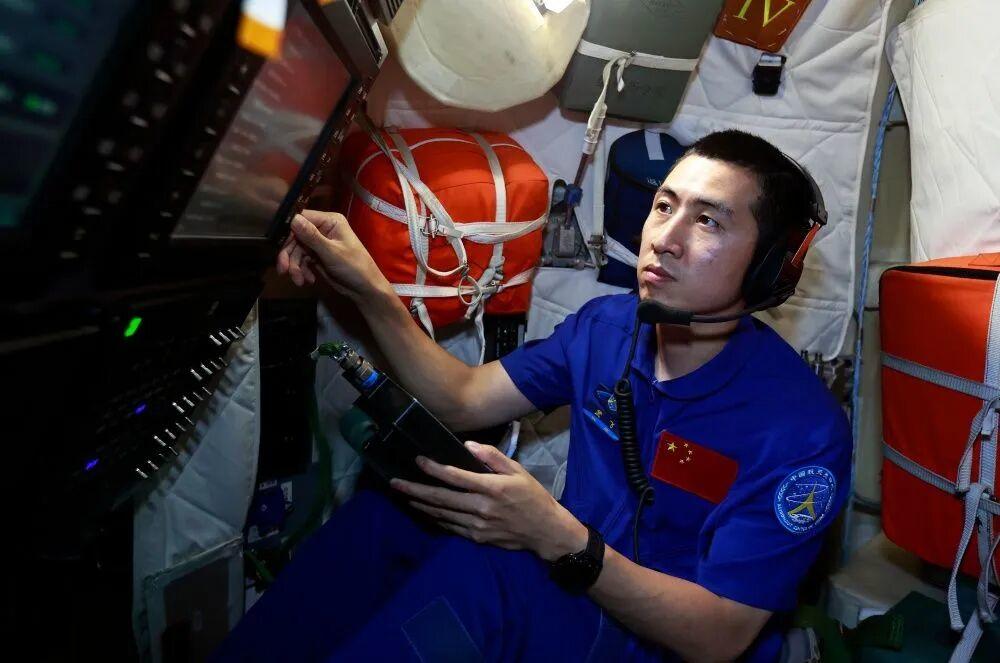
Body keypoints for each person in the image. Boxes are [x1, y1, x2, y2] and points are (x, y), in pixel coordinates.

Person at [213, 130, 851, 662]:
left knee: (496, 570)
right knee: (390, 516)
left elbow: (718, 637)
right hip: (575, 587)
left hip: (661, 641)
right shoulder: (606, 328)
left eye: (707, 220)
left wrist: (559, 538)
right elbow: (462, 397)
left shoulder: (801, 430)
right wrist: (368, 286)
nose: (665, 237)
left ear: (768, 267)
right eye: (663, 206)